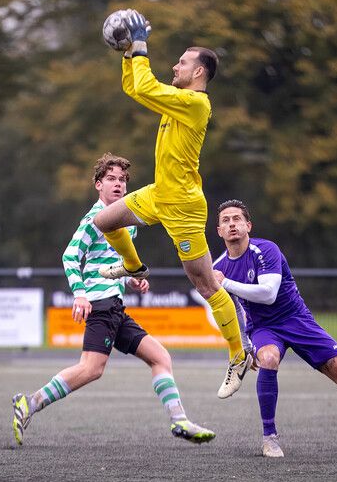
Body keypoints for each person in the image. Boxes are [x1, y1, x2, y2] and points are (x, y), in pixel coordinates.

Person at [93, 10, 251, 399]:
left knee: (205, 283)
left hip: (182, 205)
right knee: (105, 221)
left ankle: (237, 354)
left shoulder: (196, 104)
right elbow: (136, 89)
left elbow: (145, 88)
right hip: (159, 193)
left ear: (199, 73)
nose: (175, 66)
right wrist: (128, 54)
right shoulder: (178, 100)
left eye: (182, 62)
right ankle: (133, 265)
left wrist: (140, 46)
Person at [12, 153, 215, 446]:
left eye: (122, 180)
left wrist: (130, 277)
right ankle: (29, 403)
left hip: (115, 305)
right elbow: (70, 256)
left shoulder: (125, 220)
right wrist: (80, 295)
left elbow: (113, 262)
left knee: (160, 357)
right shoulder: (94, 220)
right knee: (91, 369)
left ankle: (179, 420)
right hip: (101, 305)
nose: (118, 184)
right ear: (98, 184)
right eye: (111, 179)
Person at [212, 199, 337, 457]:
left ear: (248, 225)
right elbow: (228, 311)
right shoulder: (218, 268)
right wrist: (244, 345)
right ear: (219, 231)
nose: (232, 224)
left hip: (296, 319)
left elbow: (268, 293)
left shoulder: (266, 250)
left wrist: (227, 284)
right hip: (264, 327)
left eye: (236, 219)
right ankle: (270, 439)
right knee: (268, 357)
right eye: (225, 221)